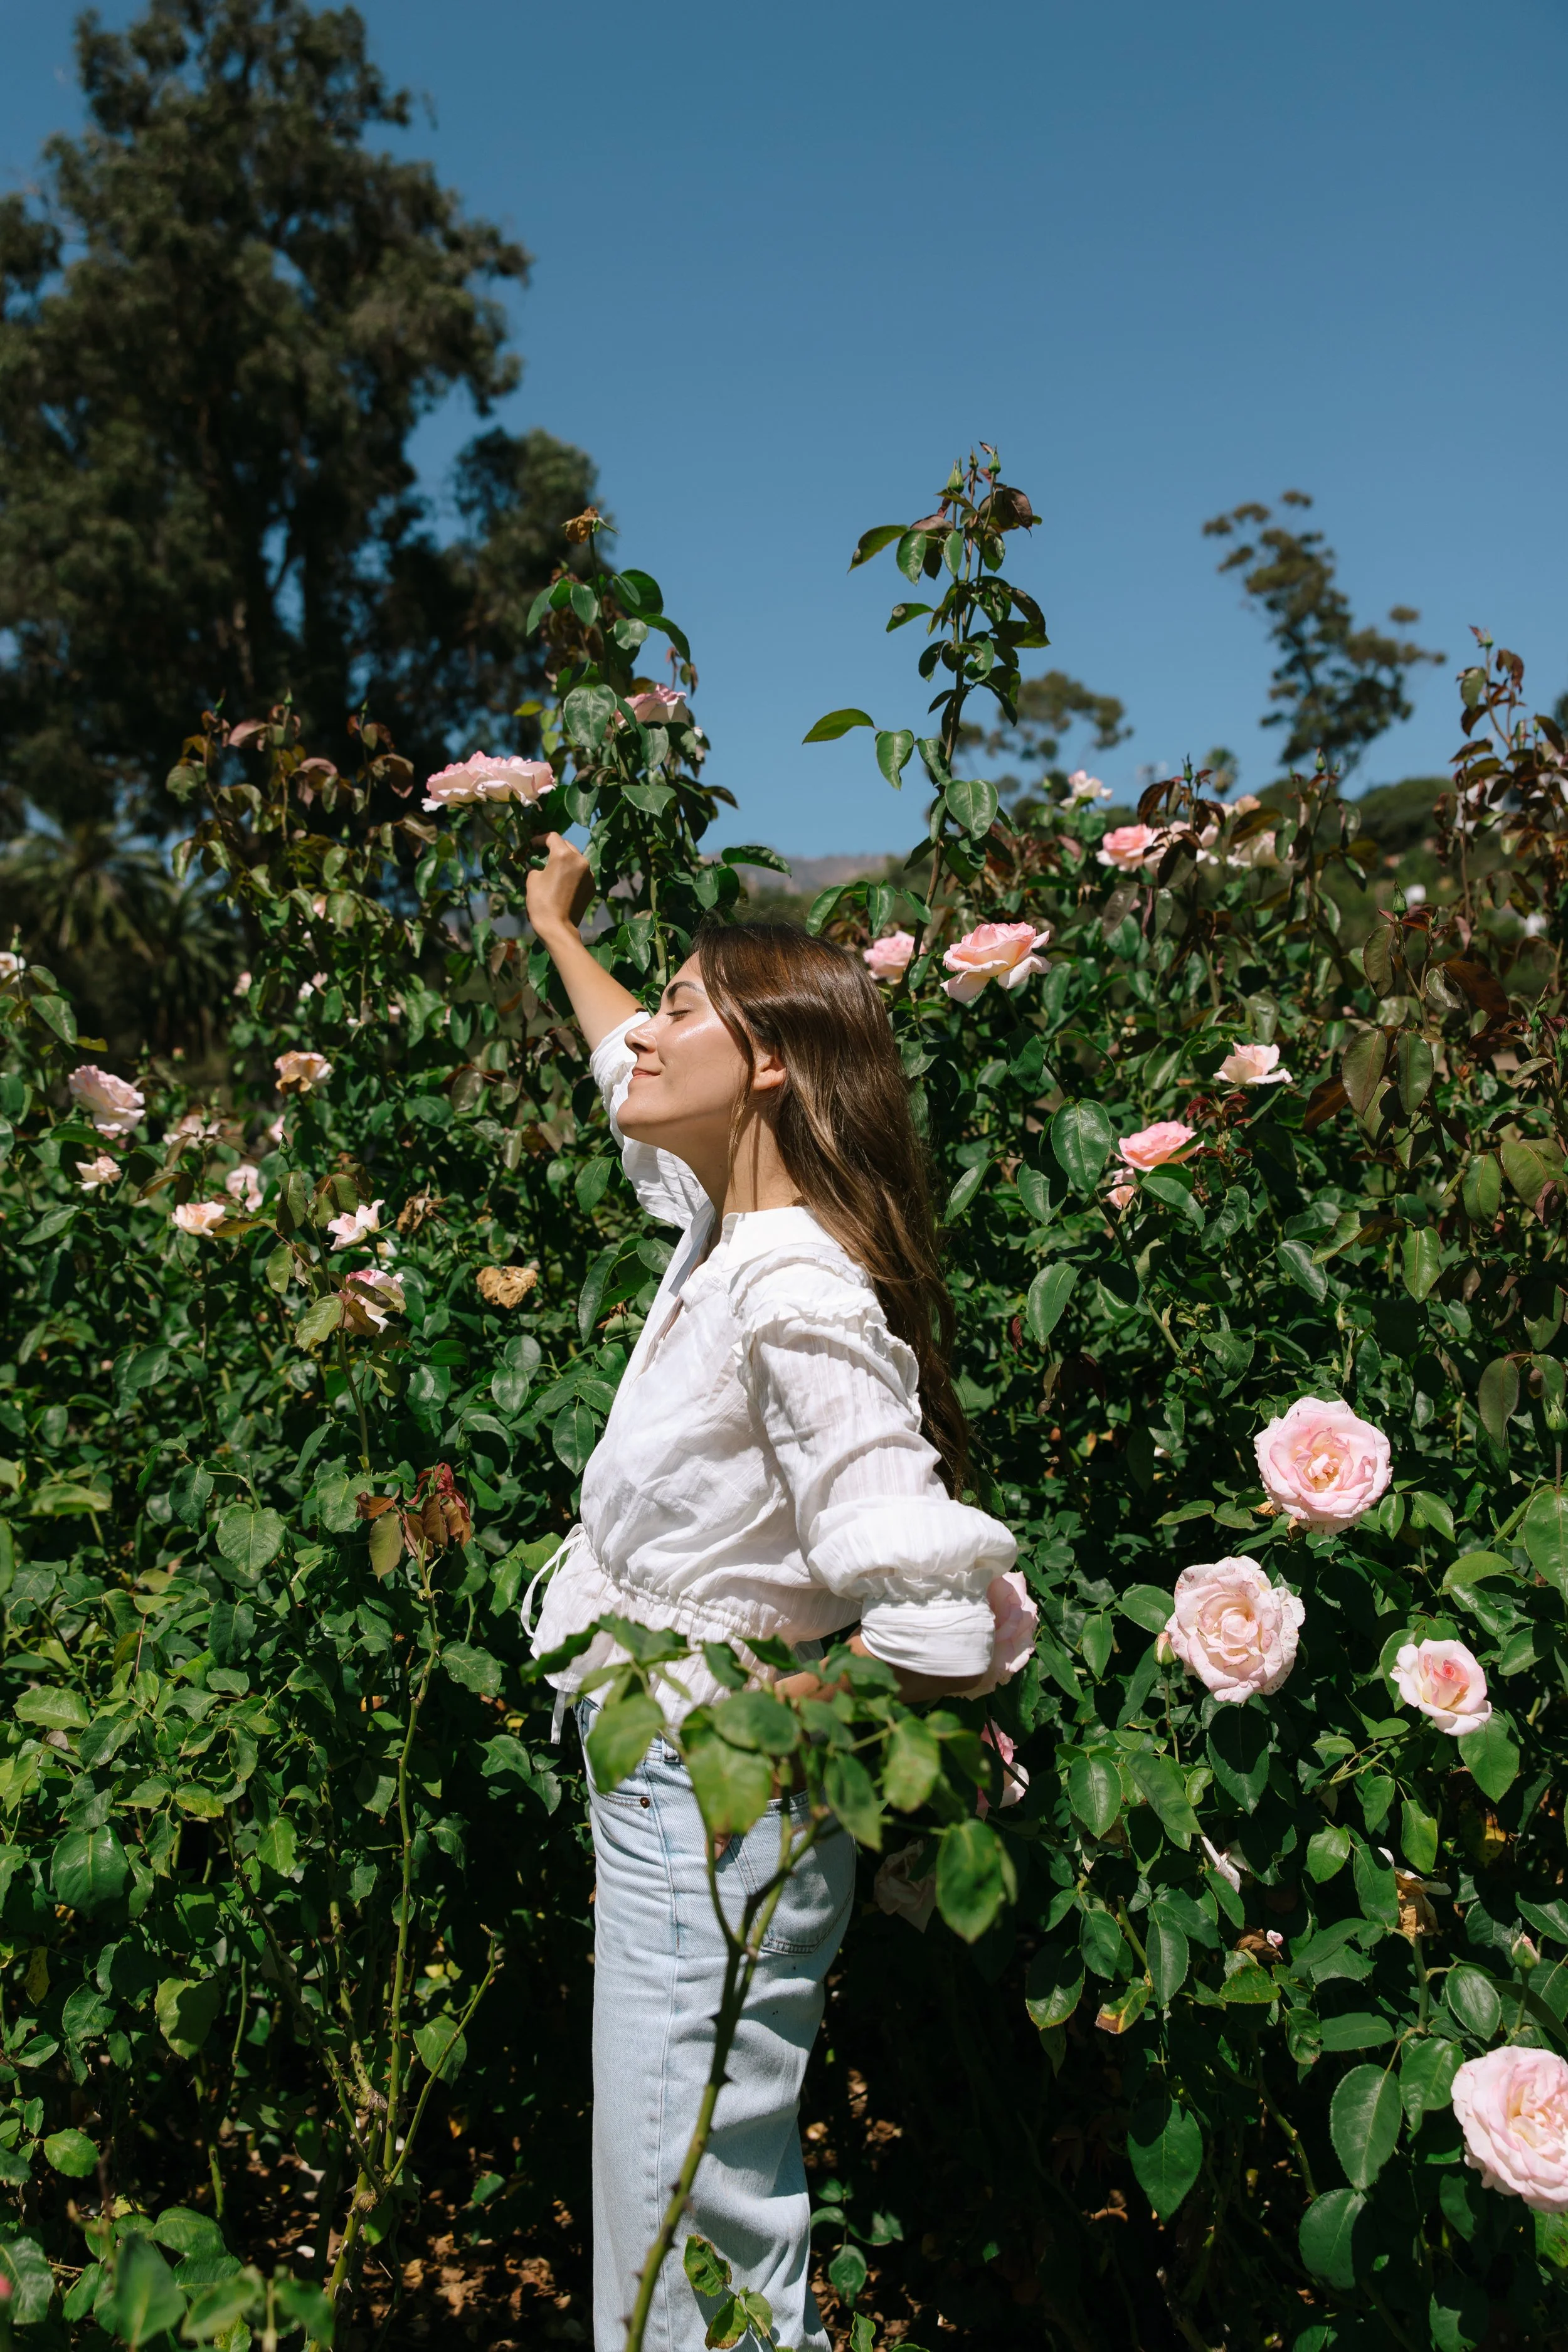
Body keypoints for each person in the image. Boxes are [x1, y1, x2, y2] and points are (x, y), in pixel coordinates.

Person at [523, 835, 1020, 2352]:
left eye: (684, 1008)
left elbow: (939, 1605)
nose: (646, 1034)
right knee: (669, 2183)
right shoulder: (717, 1232)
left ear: (769, 1069)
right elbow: (626, 1063)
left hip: (715, 1797)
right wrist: (555, 926)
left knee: (689, 2216)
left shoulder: (792, 1288)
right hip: (680, 1798)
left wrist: (819, 1703)